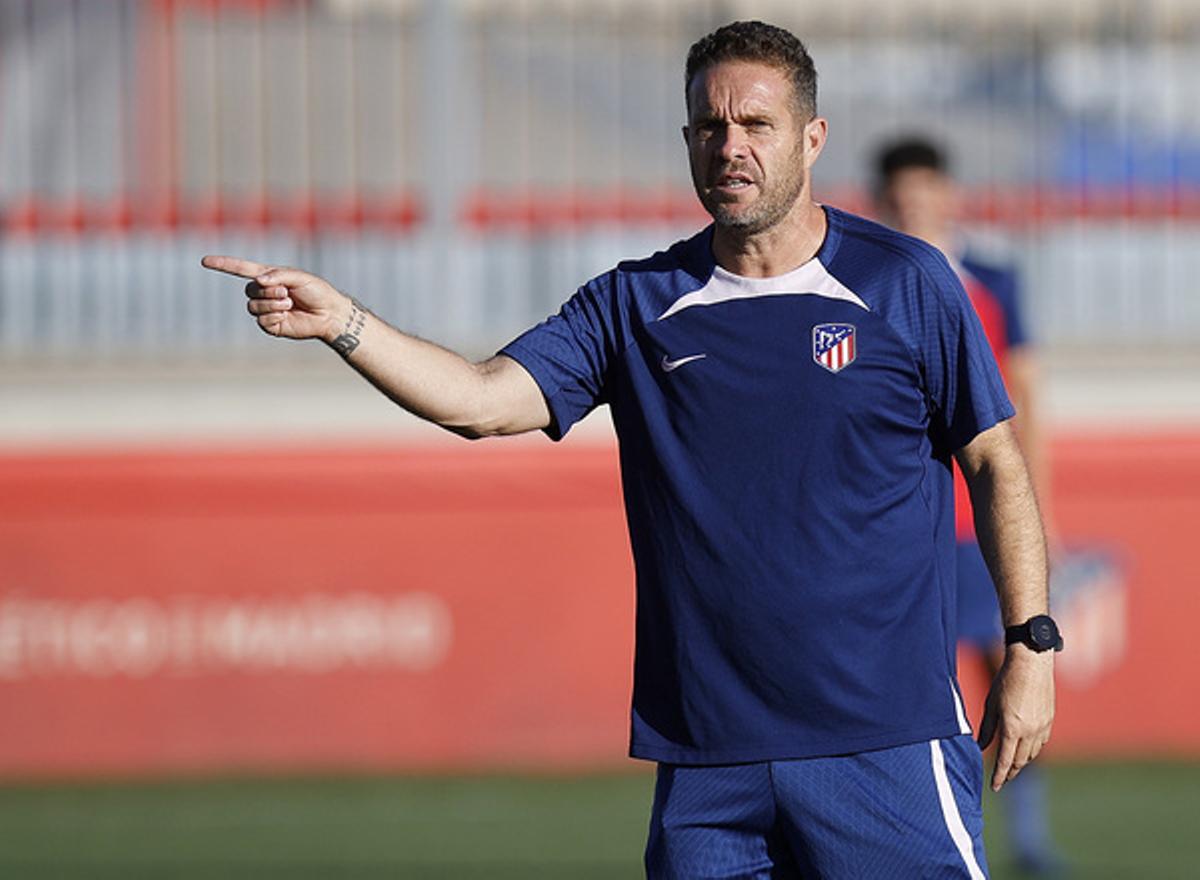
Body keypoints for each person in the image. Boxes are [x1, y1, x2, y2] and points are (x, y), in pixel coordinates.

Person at [203, 21, 1058, 878]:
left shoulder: (904, 282)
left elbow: (994, 463)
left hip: (884, 746)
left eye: (756, 125)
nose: (731, 147)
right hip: (705, 764)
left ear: (812, 138)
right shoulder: (635, 302)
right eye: (710, 128)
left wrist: (1030, 645)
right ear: (688, 141)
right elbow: (480, 401)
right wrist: (345, 323)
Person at [874, 137, 1065, 877]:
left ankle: (1031, 838)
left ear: (949, 195)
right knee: (917, 683)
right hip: (905, 528)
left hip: (982, 523)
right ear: (884, 200)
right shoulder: (866, 279)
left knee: (1016, 665)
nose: (915, 207)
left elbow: (1026, 404)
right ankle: (928, 829)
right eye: (902, 195)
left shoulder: (991, 280)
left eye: (927, 192)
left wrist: (1040, 516)